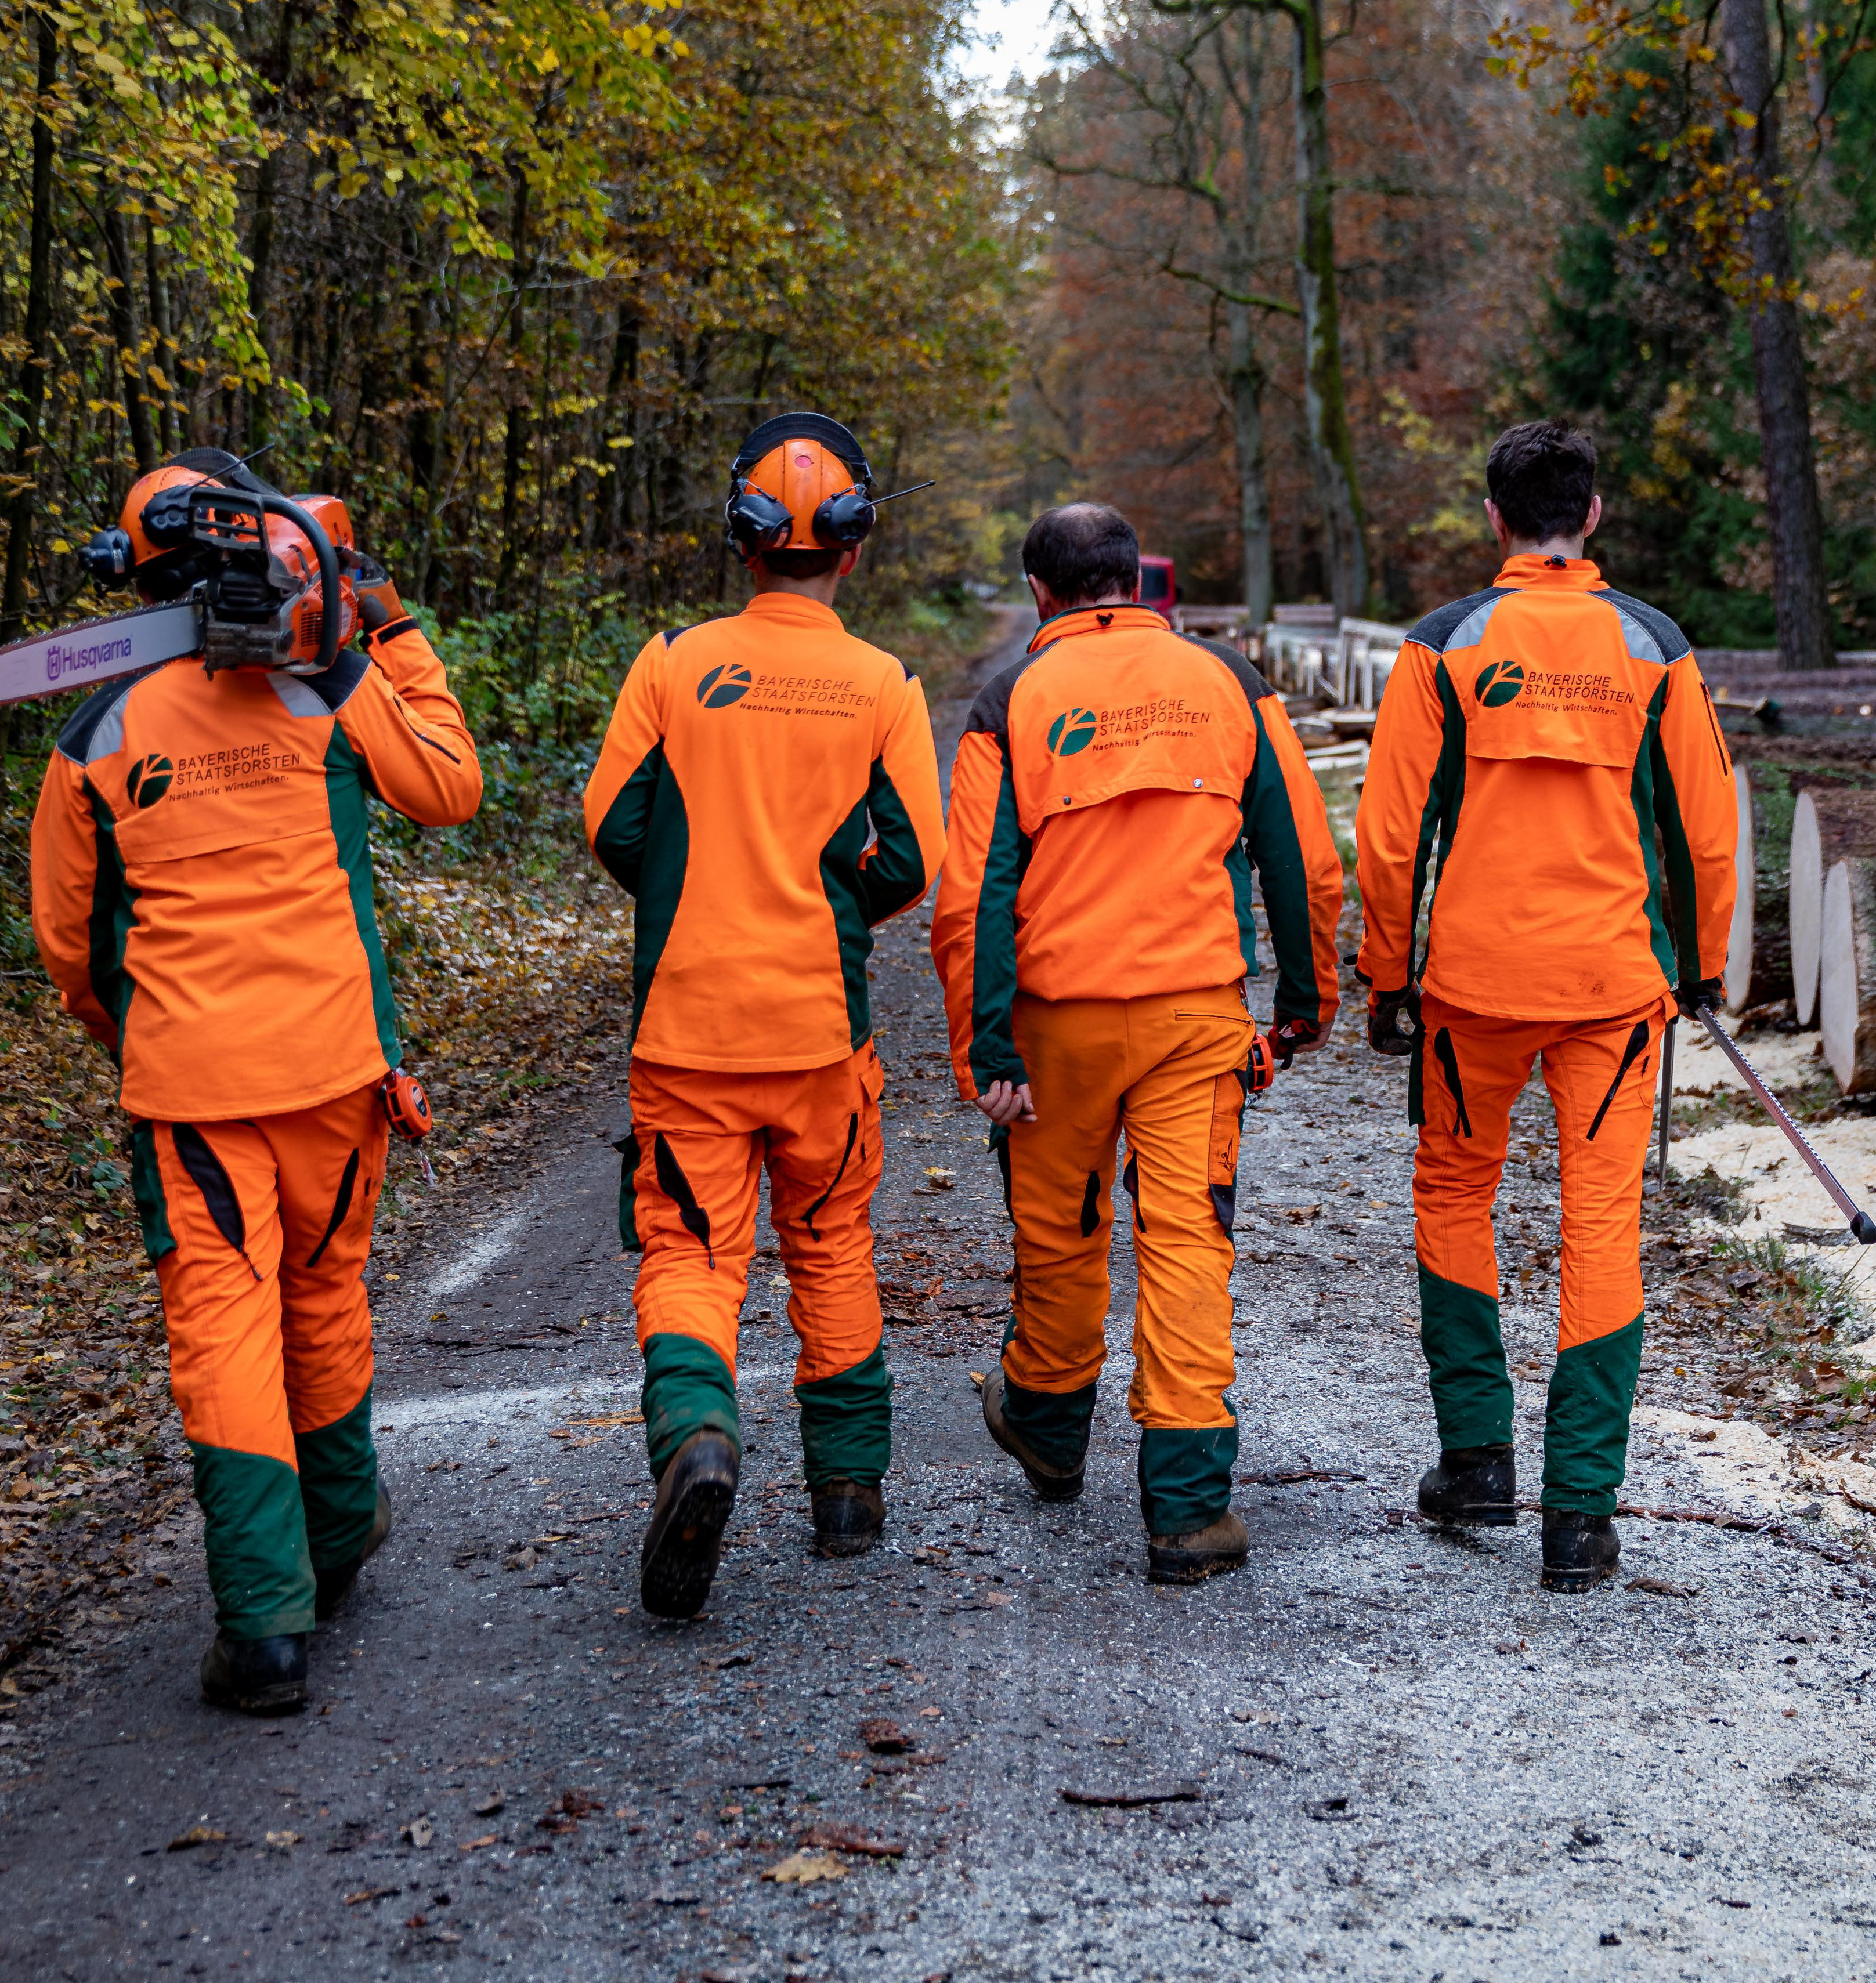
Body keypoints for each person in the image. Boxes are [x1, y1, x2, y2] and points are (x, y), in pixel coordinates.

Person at [31, 451, 485, 1713]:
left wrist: (123, 1028)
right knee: (325, 1292)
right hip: (338, 1067)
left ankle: (267, 1623)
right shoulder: (332, 686)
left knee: (224, 1329)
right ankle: (336, 1540)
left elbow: (70, 941)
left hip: (193, 1086)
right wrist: (385, 629)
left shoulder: (101, 730)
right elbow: (451, 786)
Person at [1350, 421, 1737, 1592]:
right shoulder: (1655, 645)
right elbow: (1705, 829)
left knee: (1457, 1189)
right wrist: (1705, 964)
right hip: (1615, 988)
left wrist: (1386, 974)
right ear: (1597, 514)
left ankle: (1476, 1456)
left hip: (1472, 987)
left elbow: (1387, 834)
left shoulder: (1444, 644)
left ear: (1494, 519)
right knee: (1600, 1219)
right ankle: (1579, 1514)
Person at [932, 502, 1339, 1582]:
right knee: (1186, 1241)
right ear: (1136, 583)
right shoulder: (1229, 686)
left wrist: (988, 1048)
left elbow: (972, 896)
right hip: (1194, 1017)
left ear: (1039, 594)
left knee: (1060, 1233)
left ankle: (1054, 1436)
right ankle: (1190, 1512)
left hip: (1055, 1025)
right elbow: (1303, 854)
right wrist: (1305, 1000)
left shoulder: (1010, 700)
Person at [582, 412, 939, 1621]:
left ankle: (698, 1439)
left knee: (690, 1249)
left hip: (686, 1023)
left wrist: (693, 889)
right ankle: (848, 1497)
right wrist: (829, 900)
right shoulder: (885, 685)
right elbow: (910, 861)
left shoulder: (673, 663)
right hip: (819, 1027)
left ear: (739, 540)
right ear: (851, 547)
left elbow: (613, 823)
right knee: (832, 1240)